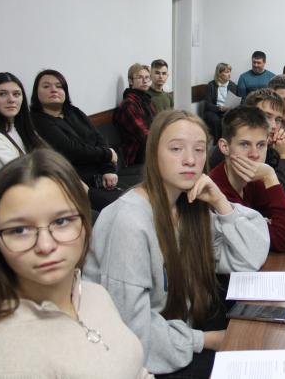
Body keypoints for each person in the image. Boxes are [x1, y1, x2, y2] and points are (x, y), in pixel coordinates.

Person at [84, 110, 270, 377]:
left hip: (178, 338)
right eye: (176, 149)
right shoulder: (128, 221)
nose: (190, 160)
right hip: (143, 359)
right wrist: (208, 340)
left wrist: (221, 202)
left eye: (199, 150)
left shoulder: (188, 207)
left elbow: (250, 257)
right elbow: (132, 331)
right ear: (153, 153)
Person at [0, 149, 151, 378]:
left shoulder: (95, 294)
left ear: (85, 222)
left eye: (62, 221)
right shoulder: (6, 354)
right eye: (20, 230)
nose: (45, 245)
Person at [30, 69, 126, 211]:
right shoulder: (37, 120)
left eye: (59, 86)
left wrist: (108, 169)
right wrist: (108, 154)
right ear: (36, 93)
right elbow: (71, 150)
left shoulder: (74, 112)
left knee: (138, 201)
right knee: (123, 209)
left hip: (101, 176)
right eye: (46, 86)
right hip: (77, 183)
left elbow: (99, 138)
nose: (53, 90)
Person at [210, 105, 285, 252]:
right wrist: (270, 176)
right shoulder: (217, 190)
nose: (254, 154)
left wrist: (269, 176)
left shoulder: (252, 181)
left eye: (261, 145)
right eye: (244, 144)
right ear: (224, 147)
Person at [244, 89, 285, 193]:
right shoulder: (241, 148)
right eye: (266, 117)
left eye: (278, 120)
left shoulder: (270, 147)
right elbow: (277, 194)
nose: (273, 126)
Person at [0, 72, 45, 172]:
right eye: (2, 94)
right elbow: (21, 174)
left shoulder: (24, 128)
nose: (11, 100)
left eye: (16, 94)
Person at [113, 63, 156, 166]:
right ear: (130, 81)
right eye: (140, 77)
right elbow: (144, 136)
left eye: (147, 77)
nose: (145, 81)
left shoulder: (146, 100)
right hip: (137, 156)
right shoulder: (129, 105)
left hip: (150, 148)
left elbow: (157, 124)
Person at [203, 62, 239, 143]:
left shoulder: (232, 85)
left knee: (230, 120)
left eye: (229, 72)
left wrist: (229, 108)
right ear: (219, 74)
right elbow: (207, 104)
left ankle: (228, 142)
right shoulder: (211, 85)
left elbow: (235, 101)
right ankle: (217, 143)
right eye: (226, 72)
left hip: (228, 110)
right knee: (215, 121)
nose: (229, 74)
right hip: (214, 110)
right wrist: (219, 108)